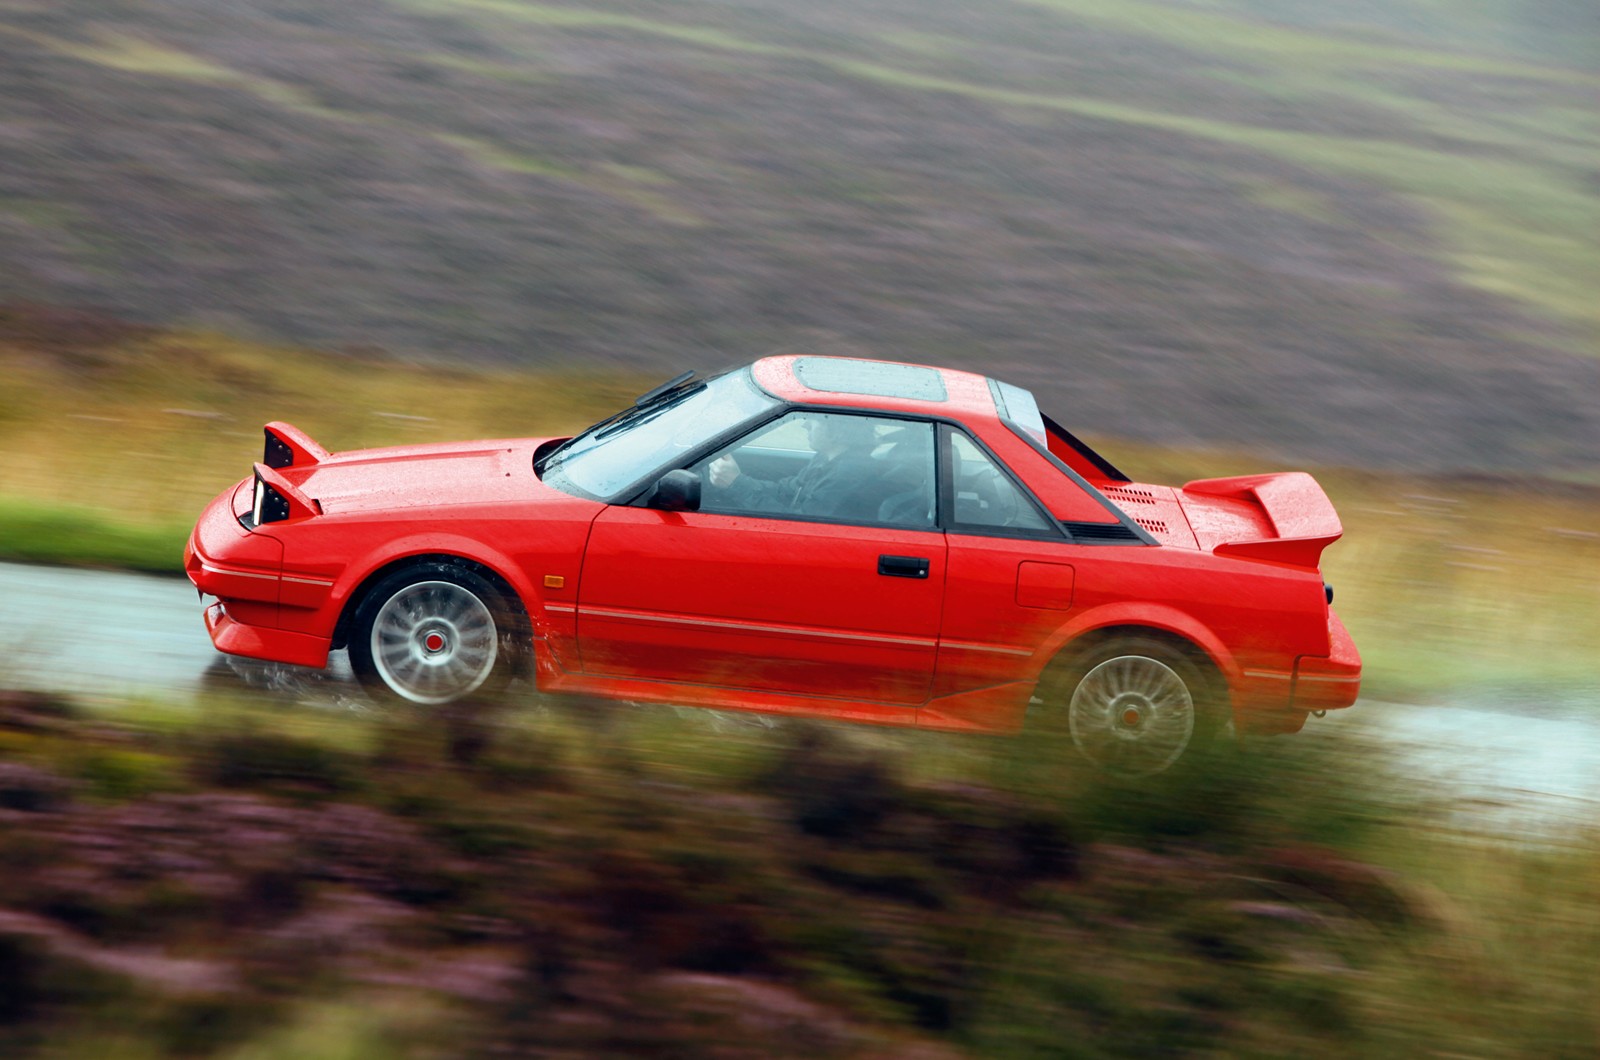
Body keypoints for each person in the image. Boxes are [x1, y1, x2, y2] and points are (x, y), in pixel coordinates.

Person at [707, 414, 879, 520]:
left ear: (837, 429)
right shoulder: (826, 460)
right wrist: (737, 480)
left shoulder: (848, 475)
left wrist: (737, 484)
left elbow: (800, 522)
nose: (805, 425)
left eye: (816, 420)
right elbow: (787, 491)